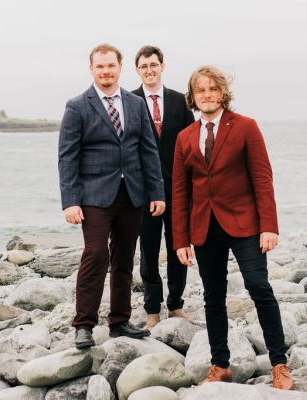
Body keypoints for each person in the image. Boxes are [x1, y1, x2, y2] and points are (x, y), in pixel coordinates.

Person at [172, 65, 292, 389]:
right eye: (201, 90)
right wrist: (180, 239)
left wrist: (269, 226)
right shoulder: (184, 138)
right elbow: (180, 192)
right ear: (193, 97)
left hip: (245, 224)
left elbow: (262, 179)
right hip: (204, 227)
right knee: (213, 297)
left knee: (259, 287)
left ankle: (279, 362)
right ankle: (220, 364)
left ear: (222, 93)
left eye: (212, 89)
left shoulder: (245, 127)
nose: (207, 95)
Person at [58, 43, 166, 349]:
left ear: (119, 68)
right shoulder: (77, 106)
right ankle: (83, 325)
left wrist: (156, 192)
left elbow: (148, 150)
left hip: (132, 193)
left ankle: (119, 321)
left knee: (123, 258)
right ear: (91, 69)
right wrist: (70, 200)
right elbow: (67, 157)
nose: (106, 71)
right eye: (100, 66)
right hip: (93, 195)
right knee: (95, 254)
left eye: (111, 66)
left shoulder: (135, 103)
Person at [132, 45, 195, 329]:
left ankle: (176, 304)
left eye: (153, 64)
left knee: (178, 247)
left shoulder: (180, 101)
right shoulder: (129, 101)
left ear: (162, 66)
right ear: (137, 70)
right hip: (144, 192)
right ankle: (152, 309)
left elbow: (191, 144)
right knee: (147, 251)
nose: (149, 70)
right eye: (144, 66)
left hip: (178, 188)